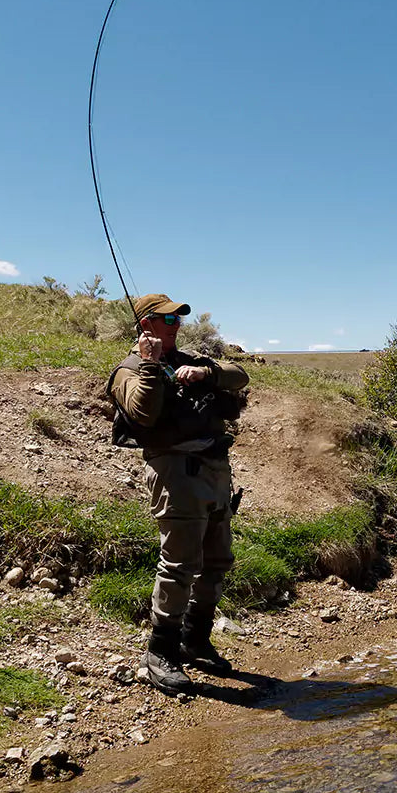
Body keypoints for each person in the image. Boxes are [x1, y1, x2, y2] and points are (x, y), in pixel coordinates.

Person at [107, 293, 250, 695]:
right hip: (175, 474)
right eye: (167, 320)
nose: (175, 326)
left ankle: (196, 640)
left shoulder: (190, 359)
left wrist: (205, 373)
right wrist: (151, 365)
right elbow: (142, 412)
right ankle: (161, 652)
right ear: (145, 325)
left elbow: (239, 375)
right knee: (179, 565)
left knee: (218, 560)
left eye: (178, 321)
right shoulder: (127, 370)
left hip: (215, 471)